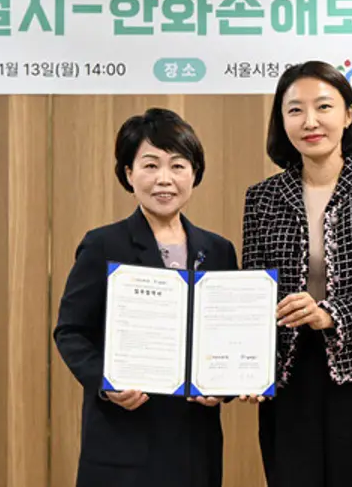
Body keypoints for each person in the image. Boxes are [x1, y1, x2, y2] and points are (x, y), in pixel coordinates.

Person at [239, 61, 352, 487]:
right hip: (290, 374)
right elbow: (252, 293)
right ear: (281, 121)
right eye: (295, 110)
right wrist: (245, 367)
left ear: (348, 114)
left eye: (323, 106)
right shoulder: (262, 198)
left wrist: (329, 313)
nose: (310, 121)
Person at [53, 108, 239, 487]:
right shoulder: (103, 244)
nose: (164, 179)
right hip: (125, 440)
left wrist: (227, 386)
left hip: (194, 443)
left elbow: (229, 335)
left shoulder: (218, 250)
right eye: (150, 165)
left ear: (194, 173)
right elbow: (71, 332)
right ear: (128, 173)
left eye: (177, 166)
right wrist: (107, 382)